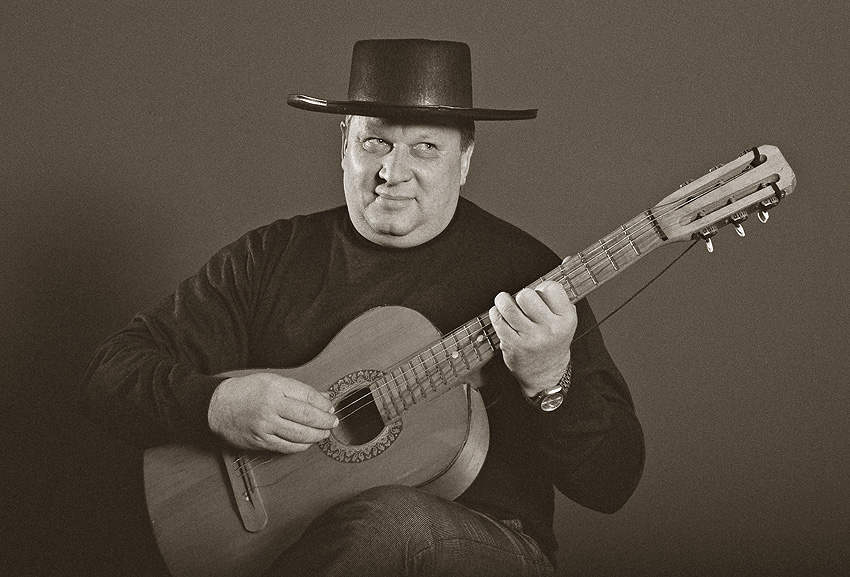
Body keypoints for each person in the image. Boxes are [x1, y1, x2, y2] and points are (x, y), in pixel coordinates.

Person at [82, 39, 645, 577]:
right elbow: (109, 374)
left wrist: (550, 379)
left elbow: (612, 485)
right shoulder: (272, 256)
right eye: (375, 142)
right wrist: (216, 404)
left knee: (391, 522)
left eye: (425, 147)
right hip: (293, 541)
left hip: (489, 541)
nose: (392, 173)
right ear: (344, 146)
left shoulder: (530, 278)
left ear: (465, 159)